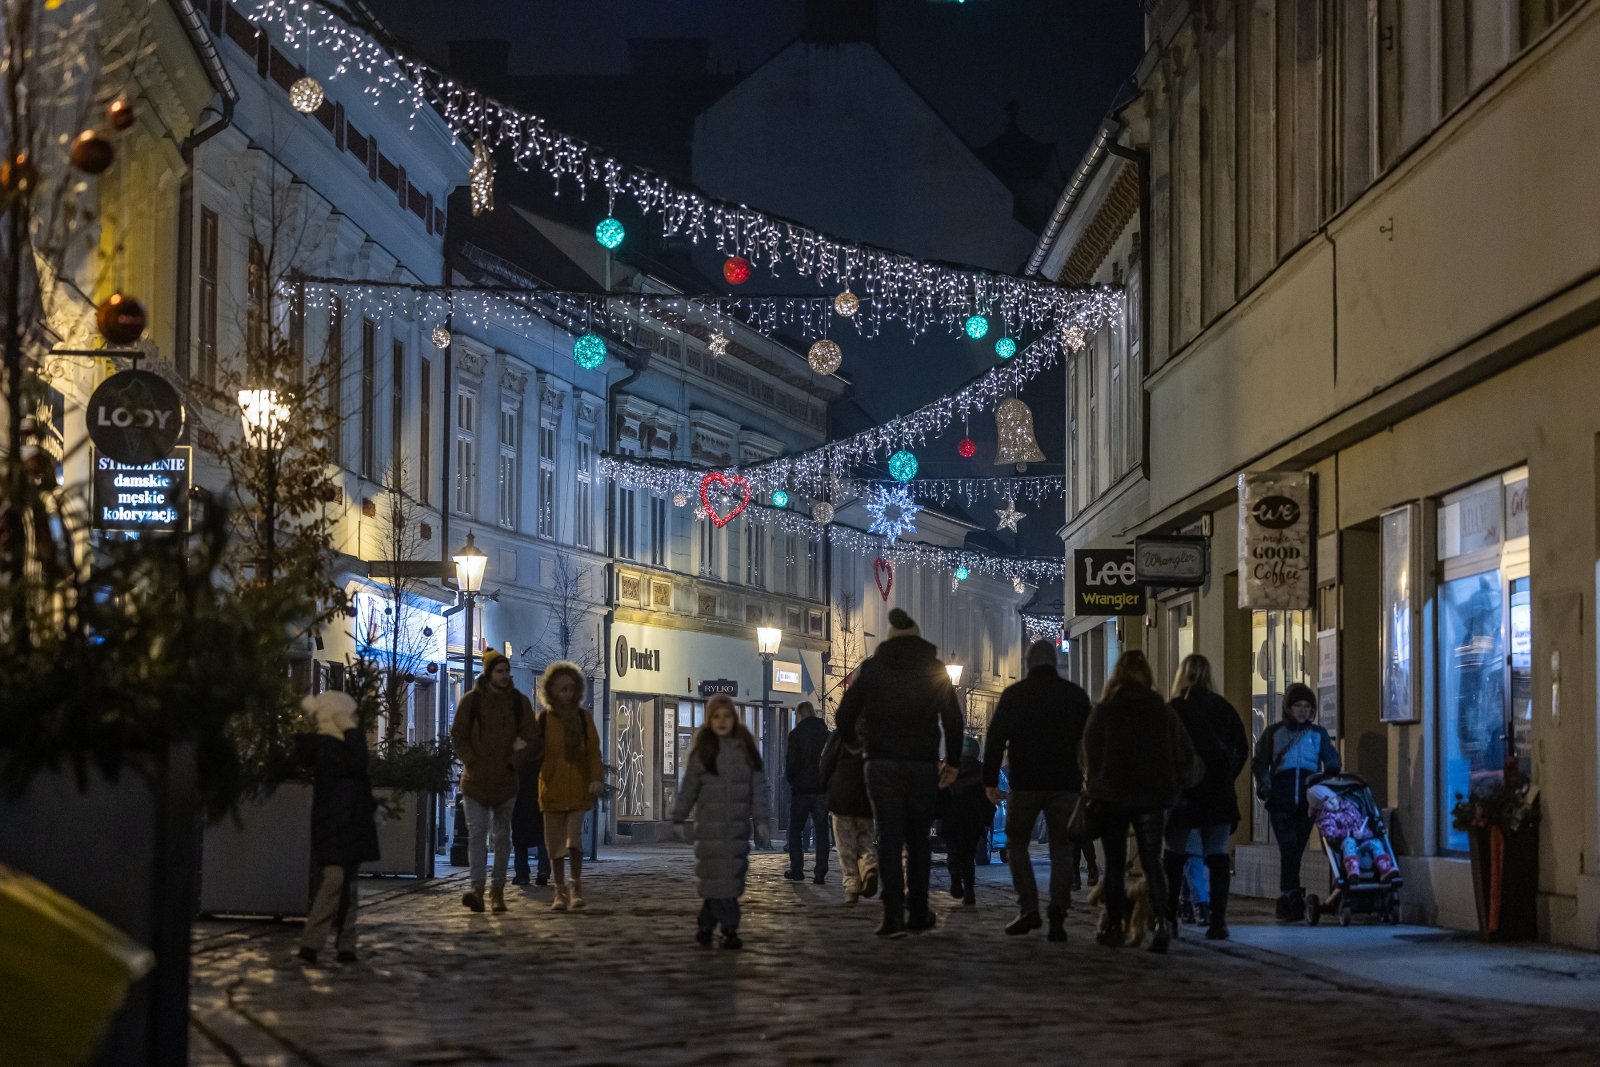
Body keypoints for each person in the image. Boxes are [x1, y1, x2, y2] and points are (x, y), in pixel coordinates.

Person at [834, 608, 963, 938]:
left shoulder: (873, 669)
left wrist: (853, 743)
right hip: (922, 764)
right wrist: (953, 761)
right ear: (919, 639)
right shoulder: (935, 670)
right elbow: (953, 719)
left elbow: (844, 714)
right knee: (918, 839)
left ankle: (892, 916)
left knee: (889, 837)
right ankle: (918, 911)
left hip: (882, 764)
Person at [1080, 649, 1201, 954]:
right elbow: (1184, 754)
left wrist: (1094, 784)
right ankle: (1161, 921)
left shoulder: (1104, 711)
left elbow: (1088, 755)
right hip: (1153, 796)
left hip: (1112, 798)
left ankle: (1113, 925)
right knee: (1152, 861)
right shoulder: (1162, 711)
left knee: (1116, 864)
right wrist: (1182, 784)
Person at [983, 638, 1093, 941]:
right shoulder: (1075, 696)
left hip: (1025, 782)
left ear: (1029, 664)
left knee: (1016, 844)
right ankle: (1058, 911)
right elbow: (1091, 740)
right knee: (1062, 848)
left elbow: (994, 740)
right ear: (1055, 663)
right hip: (1065, 784)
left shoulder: (1015, 695)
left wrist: (990, 781)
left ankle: (1029, 907)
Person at [672, 693, 771, 949]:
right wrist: (679, 815)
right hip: (709, 830)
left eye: (726, 716)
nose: (722, 721)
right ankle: (724, 928)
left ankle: (714, 926)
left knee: (728, 881)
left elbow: (758, 786)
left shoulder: (745, 747)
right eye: (716, 716)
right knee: (716, 882)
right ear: (709, 719)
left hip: (736, 829)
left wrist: (761, 819)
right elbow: (689, 787)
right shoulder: (703, 750)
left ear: (734, 718)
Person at [1162, 654, 1250, 941]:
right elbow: (1241, 749)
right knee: (1217, 854)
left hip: (1185, 794)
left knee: (1176, 854)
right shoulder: (1223, 708)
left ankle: (1170, 919)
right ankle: (1218, 920)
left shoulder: (1174, 709)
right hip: (1219, 793)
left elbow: (1165, 753)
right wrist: (1225, 777)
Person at [451, 650, 538, 914]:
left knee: (502, 838)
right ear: (489, 673)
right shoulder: (471, 702)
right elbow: (458, 735)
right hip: (475, 782)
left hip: (505, 782)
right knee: (477, 835)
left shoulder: (518, 703)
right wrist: (471, 760)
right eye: (499, 671)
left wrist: (515, 761)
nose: (505, 676)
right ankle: (477, 889)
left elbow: (533, 739)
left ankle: (497, 891)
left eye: (506, 671)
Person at [296, 692, 380, 965]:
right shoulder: (328, 748)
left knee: (349, 886)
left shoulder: (338, 747)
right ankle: (311, 943)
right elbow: (357, 763)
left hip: (351, 826)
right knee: (334, 881)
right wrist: (350, 730)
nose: (355, 721)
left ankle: (346, 944)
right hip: (333, 826)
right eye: (350, 716)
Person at [1252, 681, 1341, 921]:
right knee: (1289, 848)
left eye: (1307, 706)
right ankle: (1290, 896)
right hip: (1280, 800)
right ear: (1288, 708)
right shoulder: (1274, 733)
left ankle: (1287, 897)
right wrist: (1265, 786)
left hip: (1307, 802)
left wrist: (1332, 765)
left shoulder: (1318, 734)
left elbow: (1330, 756)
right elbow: (1259, 762)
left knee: (1295, 851)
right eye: (1297, 706)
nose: (1302, 710)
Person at [535, 661, 605, 912]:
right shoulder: (543, 720)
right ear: (551, 690)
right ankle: (559, 891)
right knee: (554, 846)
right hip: (551, 790)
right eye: (561, 688)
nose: (566, 693)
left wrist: (595, 778)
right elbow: (534, 751)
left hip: (578, 789)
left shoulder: (584, 719)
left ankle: (576, 887)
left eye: (570, 688)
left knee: (573, 840)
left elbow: (594, 753)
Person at [819, 726, 879, 904]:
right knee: (864, 838)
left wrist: (823, 785)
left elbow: (827, 762)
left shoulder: (841, 734)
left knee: (845, 845)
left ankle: (852, 885)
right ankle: (869, 866)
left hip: (842, 797)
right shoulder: (876, 733)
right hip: (867, 798)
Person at [940, 735, 992, 907]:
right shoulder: (982, 770)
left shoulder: (947, 769)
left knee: (953, 852)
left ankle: (955, 878)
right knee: (969, 857)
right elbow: (987, 798)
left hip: (950, 819)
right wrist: (987, 819)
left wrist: (936, 815)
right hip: (973, 820)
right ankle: (969, 890)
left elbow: (939, 793)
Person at [1308, 783, 1396, 884]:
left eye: (1333, 799)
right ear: (1320, 807)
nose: (1332, 803)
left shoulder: (1349, 807)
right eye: (1327, 802)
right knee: (1350, 841)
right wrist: (1350, 833)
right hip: (1343, 847)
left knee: (1376, 842)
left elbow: (1363, 824)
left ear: (1336, 797)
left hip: (1362, 842)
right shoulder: (1325, 818)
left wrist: (1363, 834)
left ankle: (1384, 868)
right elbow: (1330, 834)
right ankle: (1352, 870)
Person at [783, 701, 831, 884]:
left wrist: (793, 781)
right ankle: (820, 872)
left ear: (800, 715)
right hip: (821, 790)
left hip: (802, 791)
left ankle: (797, 869)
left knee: (795, 829)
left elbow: (791, 763)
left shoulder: (796, 735)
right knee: (821, 831)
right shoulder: (826, 735)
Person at [510, 754, 550, 887]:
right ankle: (543, 871)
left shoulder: (518, 748)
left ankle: (522, 875)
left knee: (520, 836)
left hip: (520, 797)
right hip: (540, 795)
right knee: (543, 835)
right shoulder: (542, 749)